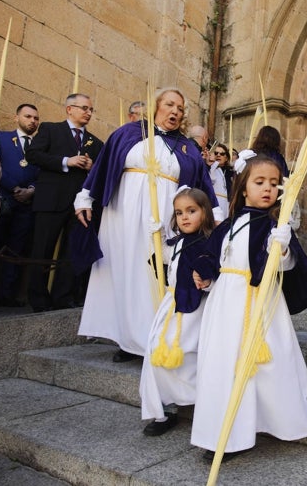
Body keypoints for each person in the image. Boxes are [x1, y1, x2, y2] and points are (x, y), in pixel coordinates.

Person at [74, 87, 223, 363]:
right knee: (123, 271)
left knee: (154, 274)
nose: (175, 111)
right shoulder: (128, 133)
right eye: (169, 104)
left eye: (180, 108)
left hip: (163, 219)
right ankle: (126, 339)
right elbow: (103, 166)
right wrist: (85, 197)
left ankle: (152, 337)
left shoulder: (187, 147)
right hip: (123, 214)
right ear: (156, 106)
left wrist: (216, 214)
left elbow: (203, 185)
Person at [190, 153, 307, 461]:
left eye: (275, 184)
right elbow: (214, 258)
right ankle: (225, 432)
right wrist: (204, 276)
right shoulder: (230, 225)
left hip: (260, 305)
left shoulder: (275, 225)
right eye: (259, 182)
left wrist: (283, 245)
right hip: (225, 303)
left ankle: (274, 418)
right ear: (243, 187)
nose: (267, 189)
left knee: (266, 364)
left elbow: (287, 264)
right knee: (225, 364)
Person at [139, 187, 215, 436]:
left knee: (184, 351)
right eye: (179, 212)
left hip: (193, 311)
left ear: (204, 213)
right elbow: (165, 259)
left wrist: (207, 280)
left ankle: (202, 399)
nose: (184, 217)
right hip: (171, 305)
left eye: (191, 211)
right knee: (155, 351)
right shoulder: (179, 242)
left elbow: (216, 270)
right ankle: (164, 408)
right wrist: (157, 236)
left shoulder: (208, 244)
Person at [25, 94, 103, 313]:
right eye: (84, 108)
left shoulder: (95, 142)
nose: (88, 113)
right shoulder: (51, 129)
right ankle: (39, 298)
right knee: (42, 249)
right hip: (51, 199)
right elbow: (33, 154)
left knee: (72, 251)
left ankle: (63, 296)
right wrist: (65, 161)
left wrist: (91, 166)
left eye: (91, 109)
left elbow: (101, 171)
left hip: (79, 205)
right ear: (70, 109)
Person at [0, 104, 40, 307]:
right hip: (2, 199)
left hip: (26, 204)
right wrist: (15, 187)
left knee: (16, 251)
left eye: (36, 118)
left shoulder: (40, 145)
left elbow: (41, 173)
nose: (32, 121)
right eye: (28, 116)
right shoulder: (0, 137)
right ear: (16, 117)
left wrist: (31, 190)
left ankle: (6, 295)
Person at [188, 125, 228, 216]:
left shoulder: (185, 147)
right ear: (205, 138)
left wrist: (206, 164)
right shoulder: (196, 152)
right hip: (193, 198)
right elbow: (201, 179)